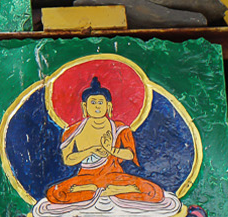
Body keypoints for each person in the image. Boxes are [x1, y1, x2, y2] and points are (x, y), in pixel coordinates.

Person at [44, 77, 165, 205]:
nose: (97, 106)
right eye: (93, 102)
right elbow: (68, 159)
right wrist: (90, 150)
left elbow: (129, 155)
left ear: (108, 106)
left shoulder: (119, 128)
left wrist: (110, 150)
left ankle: (101, 191)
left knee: (154, 192)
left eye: (100, 102)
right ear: (84, 106)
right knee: (55, 194)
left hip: (114, 177)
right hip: (85, 178)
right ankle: (110, 191)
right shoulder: (73, 131)